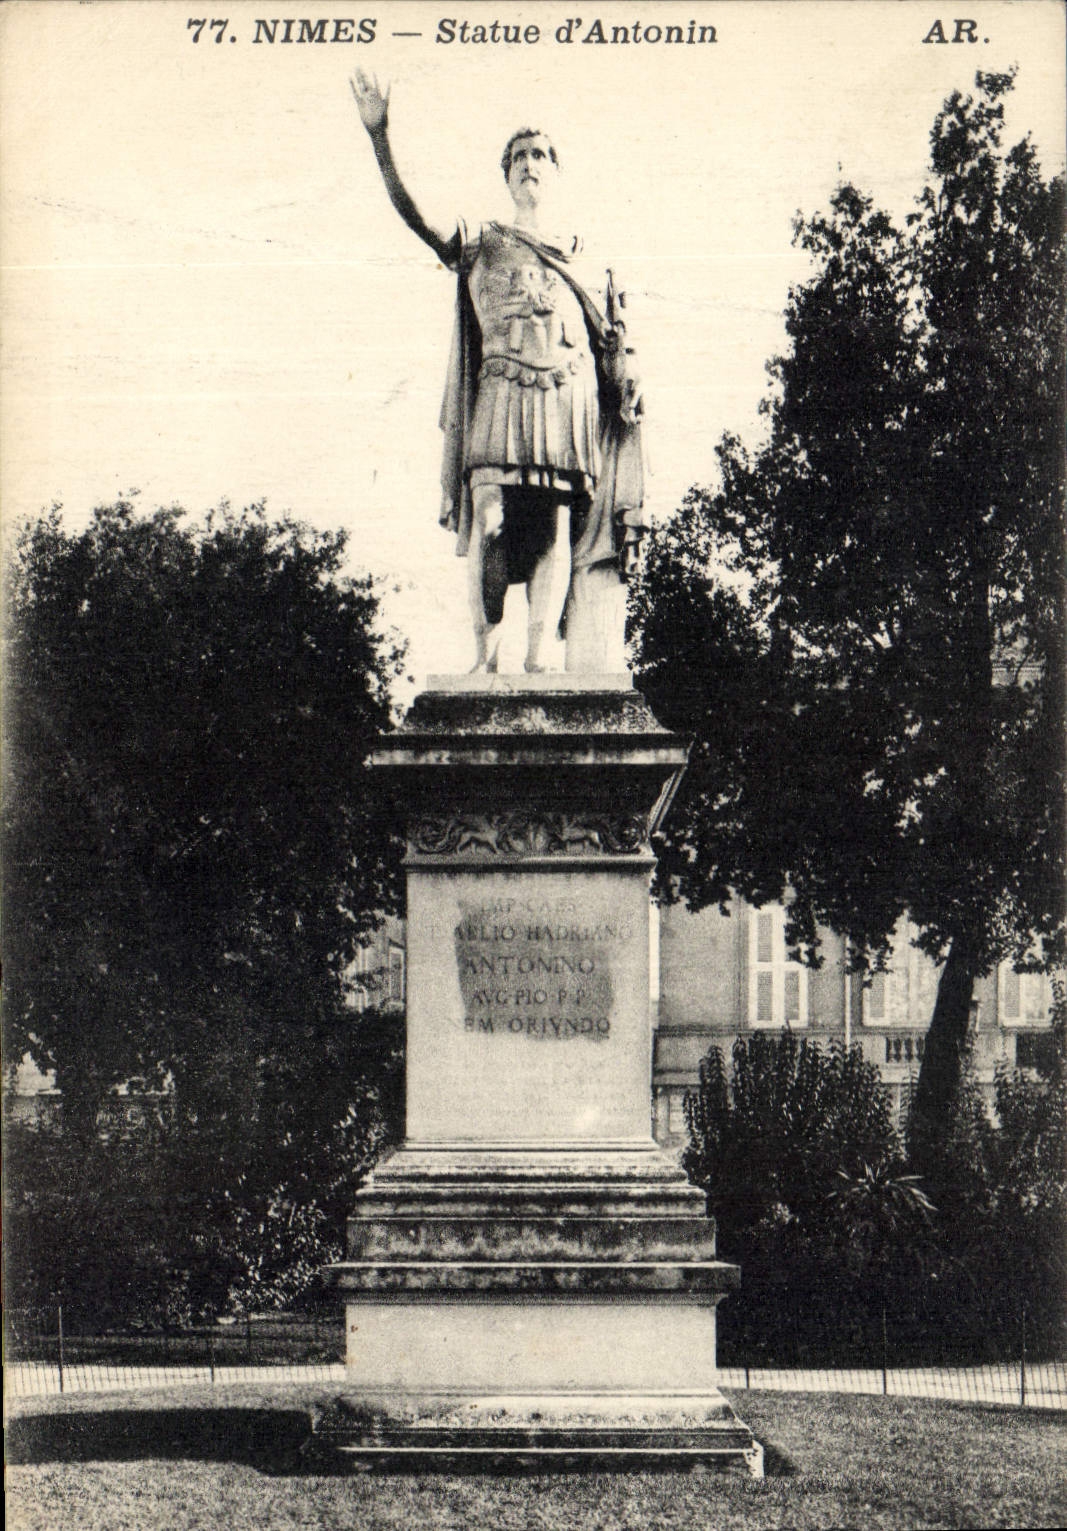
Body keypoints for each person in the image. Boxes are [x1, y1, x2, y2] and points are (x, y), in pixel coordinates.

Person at [350, 72, 646, 673]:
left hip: (568, 394)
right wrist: (381, 137)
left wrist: (628, 372)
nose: (529, 164)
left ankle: (538, 661)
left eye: (540, 155)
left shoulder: (585, 257)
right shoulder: (483, 240)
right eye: (519, 156)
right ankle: (486, 660)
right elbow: (418, 218)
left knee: (554, 531)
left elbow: (614, 342)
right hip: (501, 390)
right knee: (489, 522)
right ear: (506, 173)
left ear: (555, 171)